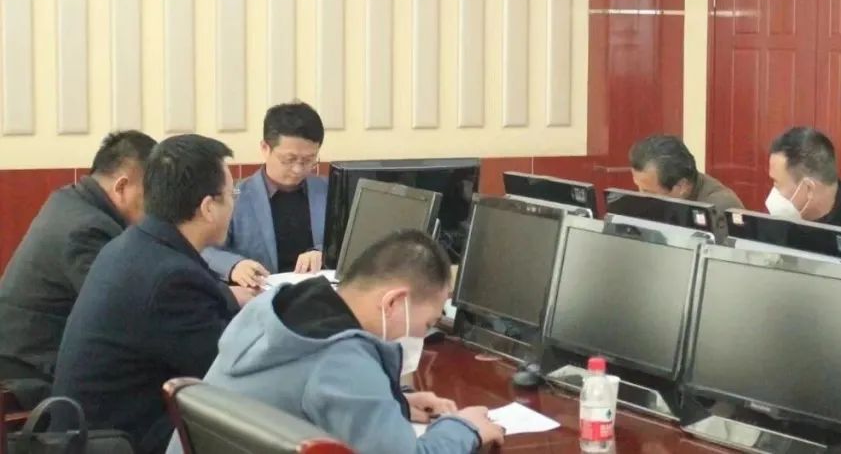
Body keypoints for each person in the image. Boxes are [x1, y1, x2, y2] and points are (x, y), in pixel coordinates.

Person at [166, 230, 504, 454]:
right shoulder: (343, 359)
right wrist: (465, 428)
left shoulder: (274, 308)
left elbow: (298, 392)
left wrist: (395, 402)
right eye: (427, 323)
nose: (421, 335)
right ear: (393, 303)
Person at [52, 134, 240, 454]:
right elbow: (227, 371)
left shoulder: (134, 244)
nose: (235, 203)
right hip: (120, 443)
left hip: (92, 433)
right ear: (208, 207)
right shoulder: (171, 278)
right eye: (232, 194)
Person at [0, 131, 156, 410]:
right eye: (151, 196)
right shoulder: (88, 229)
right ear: (122, 186)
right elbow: (120, 313)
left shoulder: (67, 200)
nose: (155, 209)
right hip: (32, 371)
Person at [204, 101, 329, 288]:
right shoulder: (235, 196)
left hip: (320, 295)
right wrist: (234, 266)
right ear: (265, 148)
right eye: (289, 159)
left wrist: (324, 253)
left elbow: (351, 245)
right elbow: (205, 249)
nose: (298, 169)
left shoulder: (329, 191)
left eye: (309, 160)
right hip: (259, 297)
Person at [629, 135, 744, 239]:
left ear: (681, 187)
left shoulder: (719, 209)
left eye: (649, 193)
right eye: (638, 188)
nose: (640, 197)